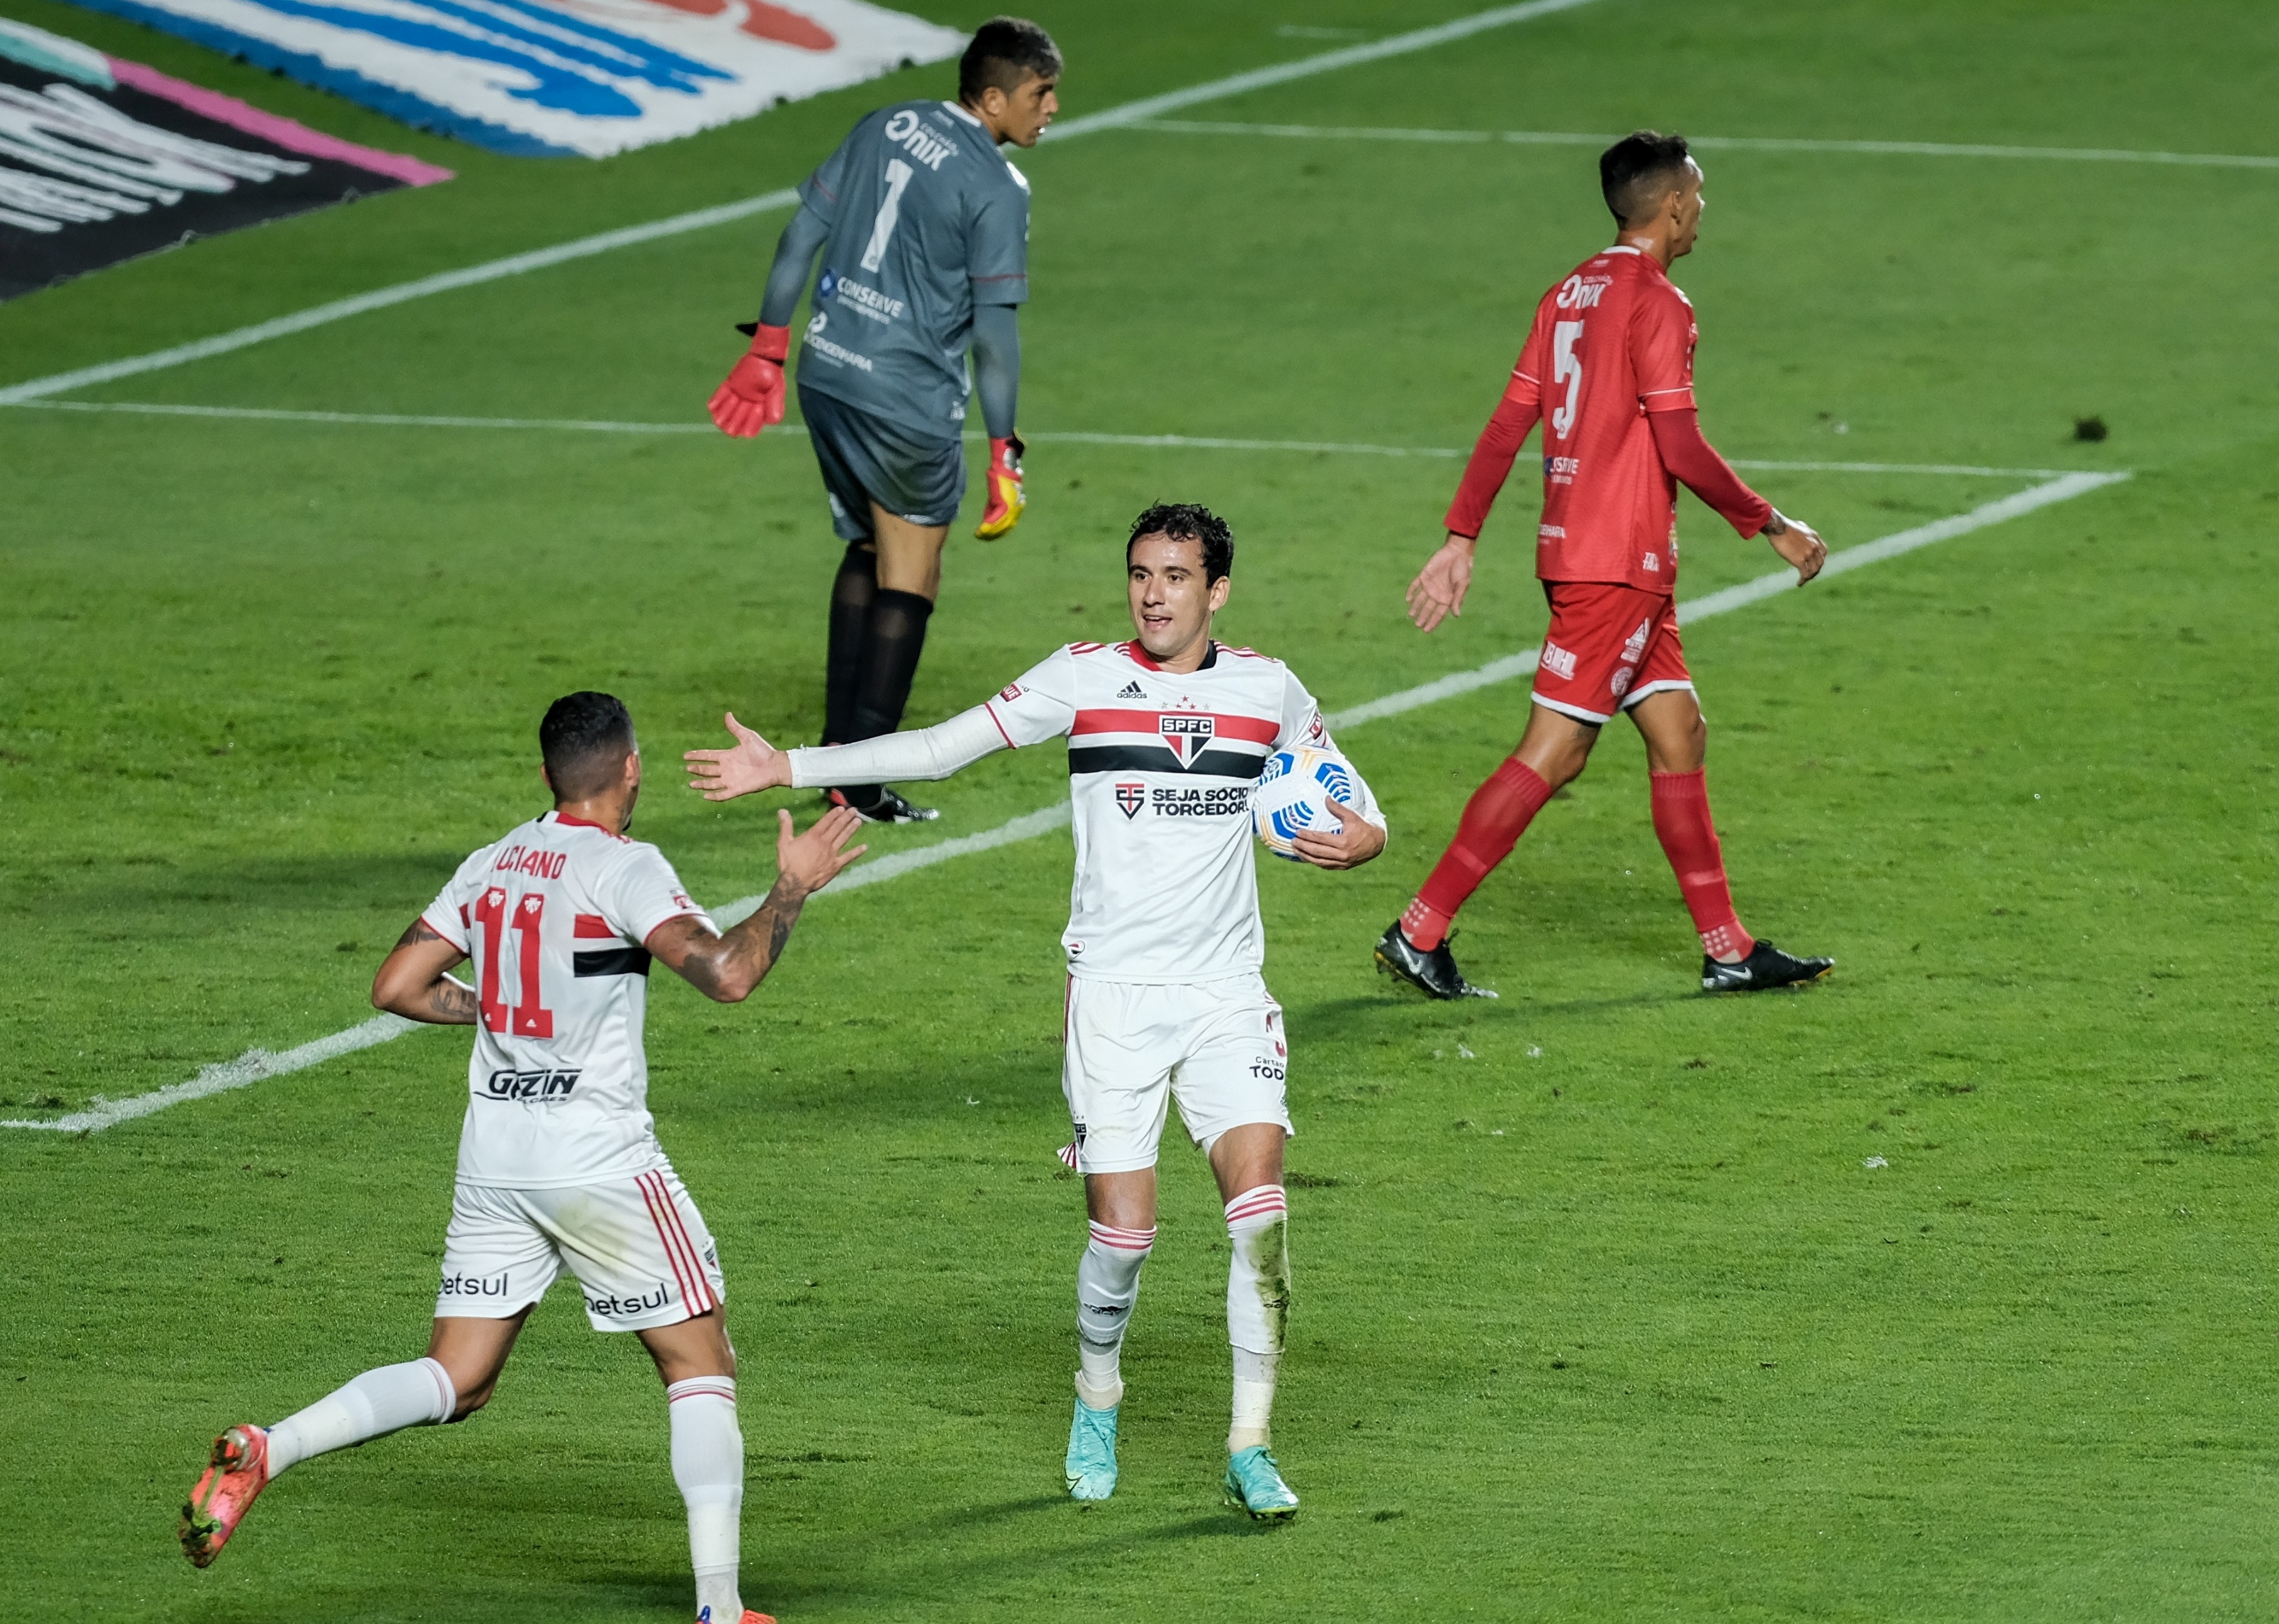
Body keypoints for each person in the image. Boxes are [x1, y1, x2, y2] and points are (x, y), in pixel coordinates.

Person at [685, 503, 1387, 1522]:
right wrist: (786, 765)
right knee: (1124, 1241)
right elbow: (934, 750)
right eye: (1142, 573)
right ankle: (1097, 1395)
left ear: (1216, 591)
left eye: (1177, 576)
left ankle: (1251, 1443)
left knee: (1262, 1223)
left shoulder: (1269, 690)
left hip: (1226, 997)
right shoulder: (1084, 676)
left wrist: (1364, 844)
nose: (1154, 593)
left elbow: (1357, 806)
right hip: (1109, 1000)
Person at [178, 693, 865, 1624]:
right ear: (631, 770)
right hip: (597, 1162)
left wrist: (500, 1014)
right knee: (700, 1362)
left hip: (496, 1158)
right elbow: (727, 975)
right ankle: (719, 1615)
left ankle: (271, 1447)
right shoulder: (627, 868)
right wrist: (790, 891)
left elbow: (396, 987)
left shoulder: (492, 861)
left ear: (547, 778)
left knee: (458, 1378)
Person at [1376, 131, 1836, 1001]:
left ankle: (1729, 948)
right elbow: (1681, 443)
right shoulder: (1660, 302)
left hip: (1583, 552)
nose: (1701, 209)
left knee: (1679, 730)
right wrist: (1769, 523)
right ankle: (1418, 929)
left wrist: (1462, 535)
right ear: (1669, 206)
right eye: (1696, 196)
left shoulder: (1569, 294)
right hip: (1617, 562)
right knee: (1555, 752)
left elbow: (1509, 422)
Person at [706, 17, 1062, 826]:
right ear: (997, 94)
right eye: (1042, 94)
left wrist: (767, 345)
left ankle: (839, 759)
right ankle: (855, 780)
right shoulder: (998, 187)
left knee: (869, 545)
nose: (1051, 111)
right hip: (906, 401)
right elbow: (994, 333)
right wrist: (1006, 447)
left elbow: (803, 233)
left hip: (827, 373)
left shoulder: (886, 124)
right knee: (915, 573)